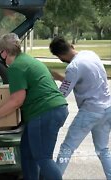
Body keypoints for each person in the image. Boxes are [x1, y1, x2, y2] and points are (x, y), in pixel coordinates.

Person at [0, 33, 68, 180]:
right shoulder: (28, 60)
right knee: (27, 152)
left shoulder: (16, 67)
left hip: (45, 111)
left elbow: (17, 100)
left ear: (4, 52)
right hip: (54, 108)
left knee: (43, 158)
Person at [49, 36, 111, 179]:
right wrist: (59, 77)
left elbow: (63, 93)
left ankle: (55, 177)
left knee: (67, 148)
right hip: (107, 108)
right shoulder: (90, 55)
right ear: (70, 45)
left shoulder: (73, 67)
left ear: (60, 56)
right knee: (103, 149)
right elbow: (84, 80)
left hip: (90, 111)